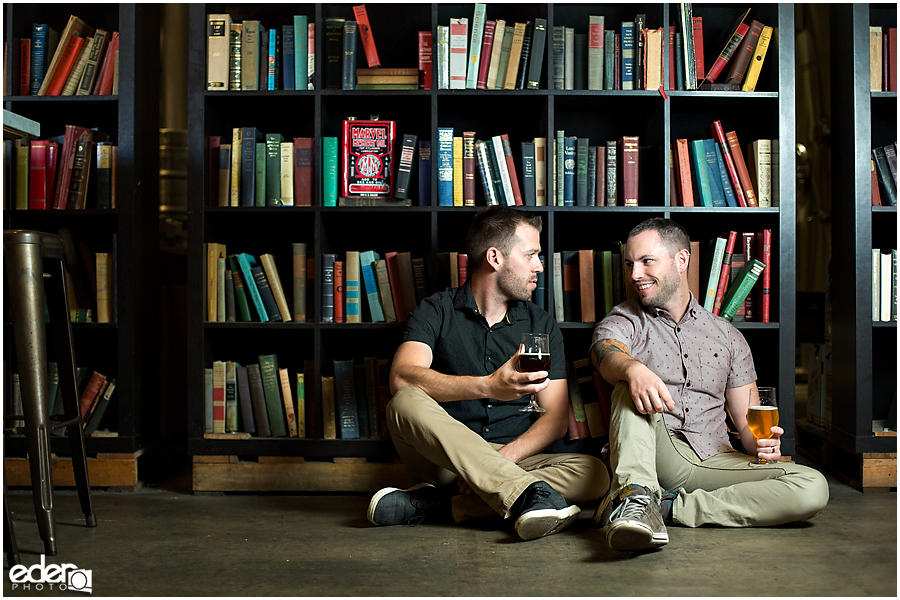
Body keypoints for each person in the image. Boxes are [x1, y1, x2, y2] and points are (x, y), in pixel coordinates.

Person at [367, 206, 608, 541]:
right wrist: (488, 386)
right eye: (531, 255)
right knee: (404, 401)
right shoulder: (435, 310)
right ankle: (525, 496)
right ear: (495, 258)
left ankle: (440, 507)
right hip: (449, 462)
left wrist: (499, 463)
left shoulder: (541, 324)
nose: (539, 266)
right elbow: (402, 378)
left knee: (596, 474)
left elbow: (554, 418)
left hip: (516, 460)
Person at [590, 217, 829, 553]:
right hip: (655, 452)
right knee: (627, 384)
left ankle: (667, 509)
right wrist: (632, 369)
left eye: (646, 262)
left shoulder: (727, 336)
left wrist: (761, 444)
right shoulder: (625, 320)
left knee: (811, 486)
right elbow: (605, 352)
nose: (634, 275)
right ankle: (637, 495)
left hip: (715, 459)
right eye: (630, 264)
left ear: (681, 259)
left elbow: (748, 426)